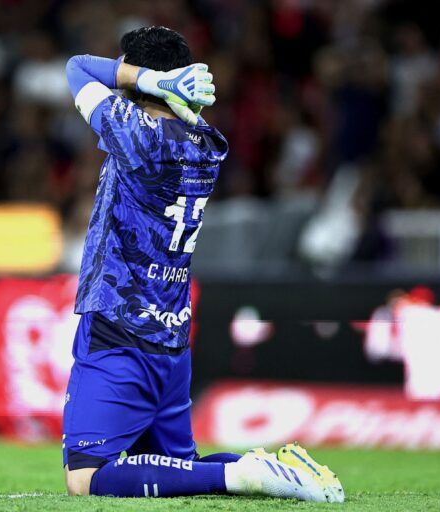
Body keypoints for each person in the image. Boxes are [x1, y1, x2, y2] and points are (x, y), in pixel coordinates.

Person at [62, 26, 344, 502]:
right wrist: (162, 83)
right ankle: (276, 469)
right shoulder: (204, 141)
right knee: (180, 468)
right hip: (172, 336)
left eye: (127, 68)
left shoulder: (136, 135)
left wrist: (145, 79)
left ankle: (240, 475)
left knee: (86, 477)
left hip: (119, 328)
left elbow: (77, 68)